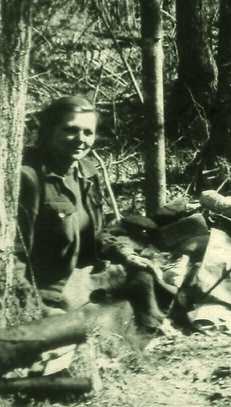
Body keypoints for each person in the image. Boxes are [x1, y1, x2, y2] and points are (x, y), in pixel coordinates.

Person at [16, 96, 163, 326]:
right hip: (49, 293)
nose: (80, 140)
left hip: (86, 279)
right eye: (70, 130)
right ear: (47, 131)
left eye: (88, 132)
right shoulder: (29, 177)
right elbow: (15, 256)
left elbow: (98, 232)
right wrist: (31, 305)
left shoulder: (86, 170)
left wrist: (125, 254)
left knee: (143, 274)